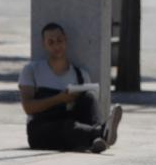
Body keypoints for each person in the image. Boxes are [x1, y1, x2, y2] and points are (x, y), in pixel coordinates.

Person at [19, 22, 123, 153]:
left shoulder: (80, 75)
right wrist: (59, 99)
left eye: (59, 40)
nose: (56, 46)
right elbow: (28, 107)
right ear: (44, 44)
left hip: (72, 123)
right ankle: (101, 132)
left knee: (88, 98)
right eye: (51, 42)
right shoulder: (31, 70)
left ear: (65, 40)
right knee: (67, 126)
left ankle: (96, 139)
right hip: (41, 130)